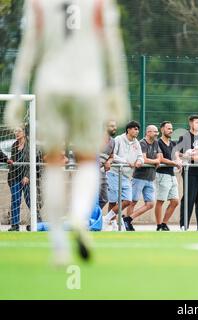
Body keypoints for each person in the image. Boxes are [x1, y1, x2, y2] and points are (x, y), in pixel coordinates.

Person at [5, 0, 129, 263]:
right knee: (86, 158)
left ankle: (59, 244)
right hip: (88, 86)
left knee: (52, 162)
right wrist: (119, 92)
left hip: (50, 85)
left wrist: (16, 96)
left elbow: (27, 50)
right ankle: (78, 213)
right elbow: (112, 49)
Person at [103, 121, 144, 231]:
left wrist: (139, 161)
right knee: (113, 201)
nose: (137, 131)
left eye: (138, 129)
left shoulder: (136, 143)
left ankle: (106, 219)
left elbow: (140, 156)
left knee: (127, 200)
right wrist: (126, 162)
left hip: (126, 176)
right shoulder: (118, 139)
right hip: (114, 173)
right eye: (135, 129)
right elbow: (112, 155)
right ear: (128, 130)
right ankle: (113, 225)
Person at [123, 125, 162, 231]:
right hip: (139, 177)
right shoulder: (142, 143)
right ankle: (128, 225)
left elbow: (160, 156)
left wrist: (157, 160)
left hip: (150, 178)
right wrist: (156, 161)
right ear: (148, 132)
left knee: (150, 204)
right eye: (154, 132)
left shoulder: (156, 142)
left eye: (157, 132)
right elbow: (143, 159)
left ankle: (128, 219)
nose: (156, 134)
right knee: (133, 201)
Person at [7, 126, 43, 231]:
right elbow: (13, 162)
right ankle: (14, 225)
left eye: (19, 131)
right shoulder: (14, 145)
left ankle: (38, 223)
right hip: (15, 177)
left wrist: (28, 176)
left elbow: (34, 163)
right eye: (15, 131)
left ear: (24, 132)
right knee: (15, 200)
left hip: (27, 178)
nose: (16, 133)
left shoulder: (31, 145)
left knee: (30, 200)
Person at [155, 121, 183, 231]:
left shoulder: (173, 144)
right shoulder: (158, 143)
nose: (170, 131)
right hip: (162, 174)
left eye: (171, 129)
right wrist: (175, 163)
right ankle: (158, 226)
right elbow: (161, 159)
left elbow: (176, 156)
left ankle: (163, 224)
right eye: (168, 128)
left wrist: (179, 161)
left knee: (175, 201)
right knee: (160, 201)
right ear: (162, 130)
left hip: (171, 175)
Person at [99, 120, 117, 210]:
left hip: (102, 174)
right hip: (90, 173)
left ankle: (92, 217)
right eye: (112, 126)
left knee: (104, 199)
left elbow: (112, 156)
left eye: (115, 126)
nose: (115, 128)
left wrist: (109, 161)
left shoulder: (113, 141)